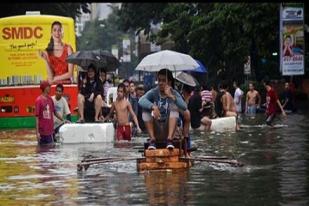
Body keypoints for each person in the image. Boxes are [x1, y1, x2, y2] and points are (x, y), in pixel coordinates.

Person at [138, 68, 187, 150]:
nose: (160, 83)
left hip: (170, 130)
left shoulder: (174, 93)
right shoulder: (154, 92)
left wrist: (171, 96)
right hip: (157, 129)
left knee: (174, 107)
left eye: (164, 80)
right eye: (159, 80)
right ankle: (152, 140)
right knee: (145, 110)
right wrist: (153, 106)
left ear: (169, 82)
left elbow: (184, 107)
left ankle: (169, 140)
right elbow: (141, 100)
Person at [35, 80, 64, 145]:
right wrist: (37, 133)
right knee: (42, 151)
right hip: (42, 132)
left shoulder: (50, 99)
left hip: (50, 132)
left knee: (50, 149)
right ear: (45, 88)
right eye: (49, 87)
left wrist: (63, 120)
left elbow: (55, 112)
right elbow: (36, 118)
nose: (50, 88)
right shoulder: (38, 100)